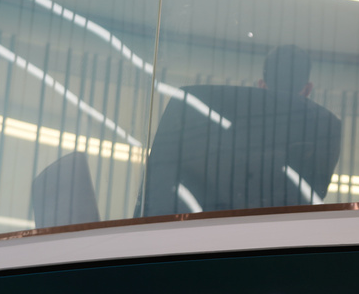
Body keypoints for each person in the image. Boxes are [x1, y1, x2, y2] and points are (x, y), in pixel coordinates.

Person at [140, 45, 341, 215]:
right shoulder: (326, 127)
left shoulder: (213, 123)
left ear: (261, 85)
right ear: (307, 89)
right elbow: (312, 195)